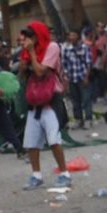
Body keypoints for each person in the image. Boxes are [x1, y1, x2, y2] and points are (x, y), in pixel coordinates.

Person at [18, 22, 71, 190]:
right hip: (34, 100)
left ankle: (64, 173)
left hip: (51, 99)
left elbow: (41, 71)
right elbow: (22, 75)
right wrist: (24, 60)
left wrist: (32, 52)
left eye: (31, 35)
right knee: (31, 141)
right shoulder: (27, 51)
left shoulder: (52, 47)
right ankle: (36, 175)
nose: (29, 39)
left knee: (54, 139)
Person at [61, 29, 93, 129]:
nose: (72, 37)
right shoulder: (66, 49)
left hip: (82, 77)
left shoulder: (84, 47)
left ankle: (88, 119)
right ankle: (78, 119)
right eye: (70, 35)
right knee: (75, 101)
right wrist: (66, 78)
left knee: (86, 99)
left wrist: (86, 77)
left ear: (78, 36)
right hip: (72, 78)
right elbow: (64, 64)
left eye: (74, 35)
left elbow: (88, 64)